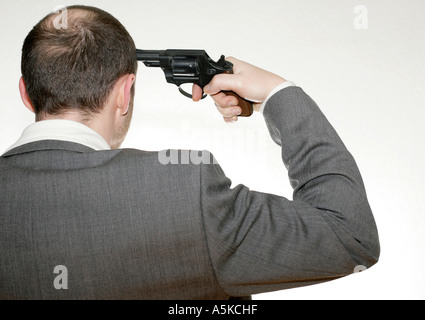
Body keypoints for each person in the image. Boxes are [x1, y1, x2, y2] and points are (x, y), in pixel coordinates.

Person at [0, 5, 380, 299]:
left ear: (25, 92)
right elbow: (350, 237)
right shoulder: (184, 191)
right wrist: (278, 94)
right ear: (124, 93)